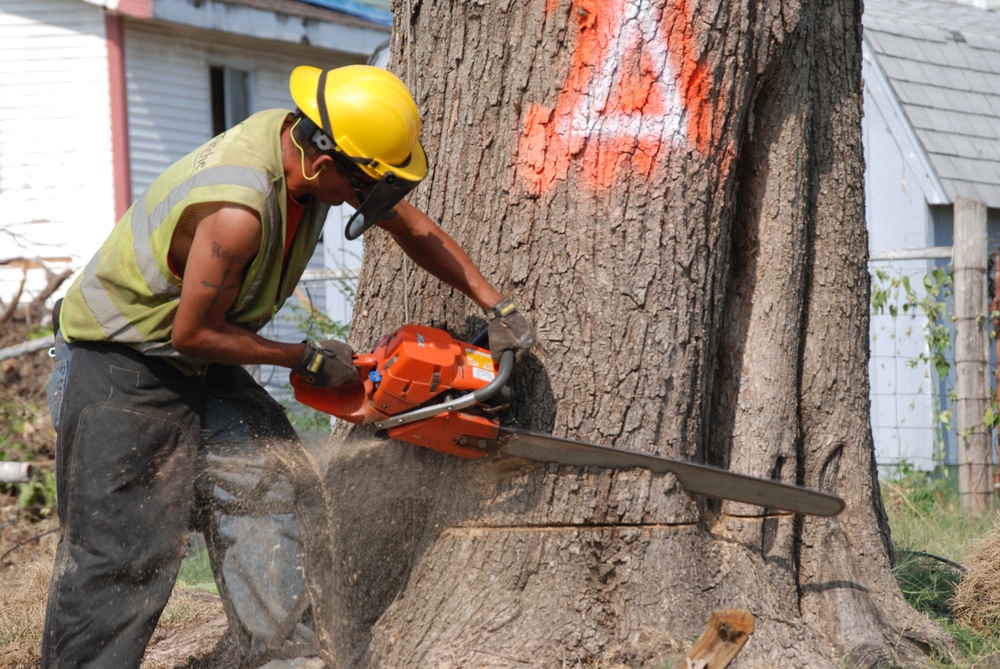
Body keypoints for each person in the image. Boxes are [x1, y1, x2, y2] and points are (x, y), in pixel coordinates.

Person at [42, 63, 536, 668]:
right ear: (325, 163)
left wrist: (498, 305)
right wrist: (300, 357)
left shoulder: (303, 151)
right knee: (122, 553)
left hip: (189, 360)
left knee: (276, 485)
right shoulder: (238, 210)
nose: (366, 200)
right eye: (362, 185)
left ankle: (283, 658)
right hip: (116, 362)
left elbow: (412, 227)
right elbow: (192, 333)